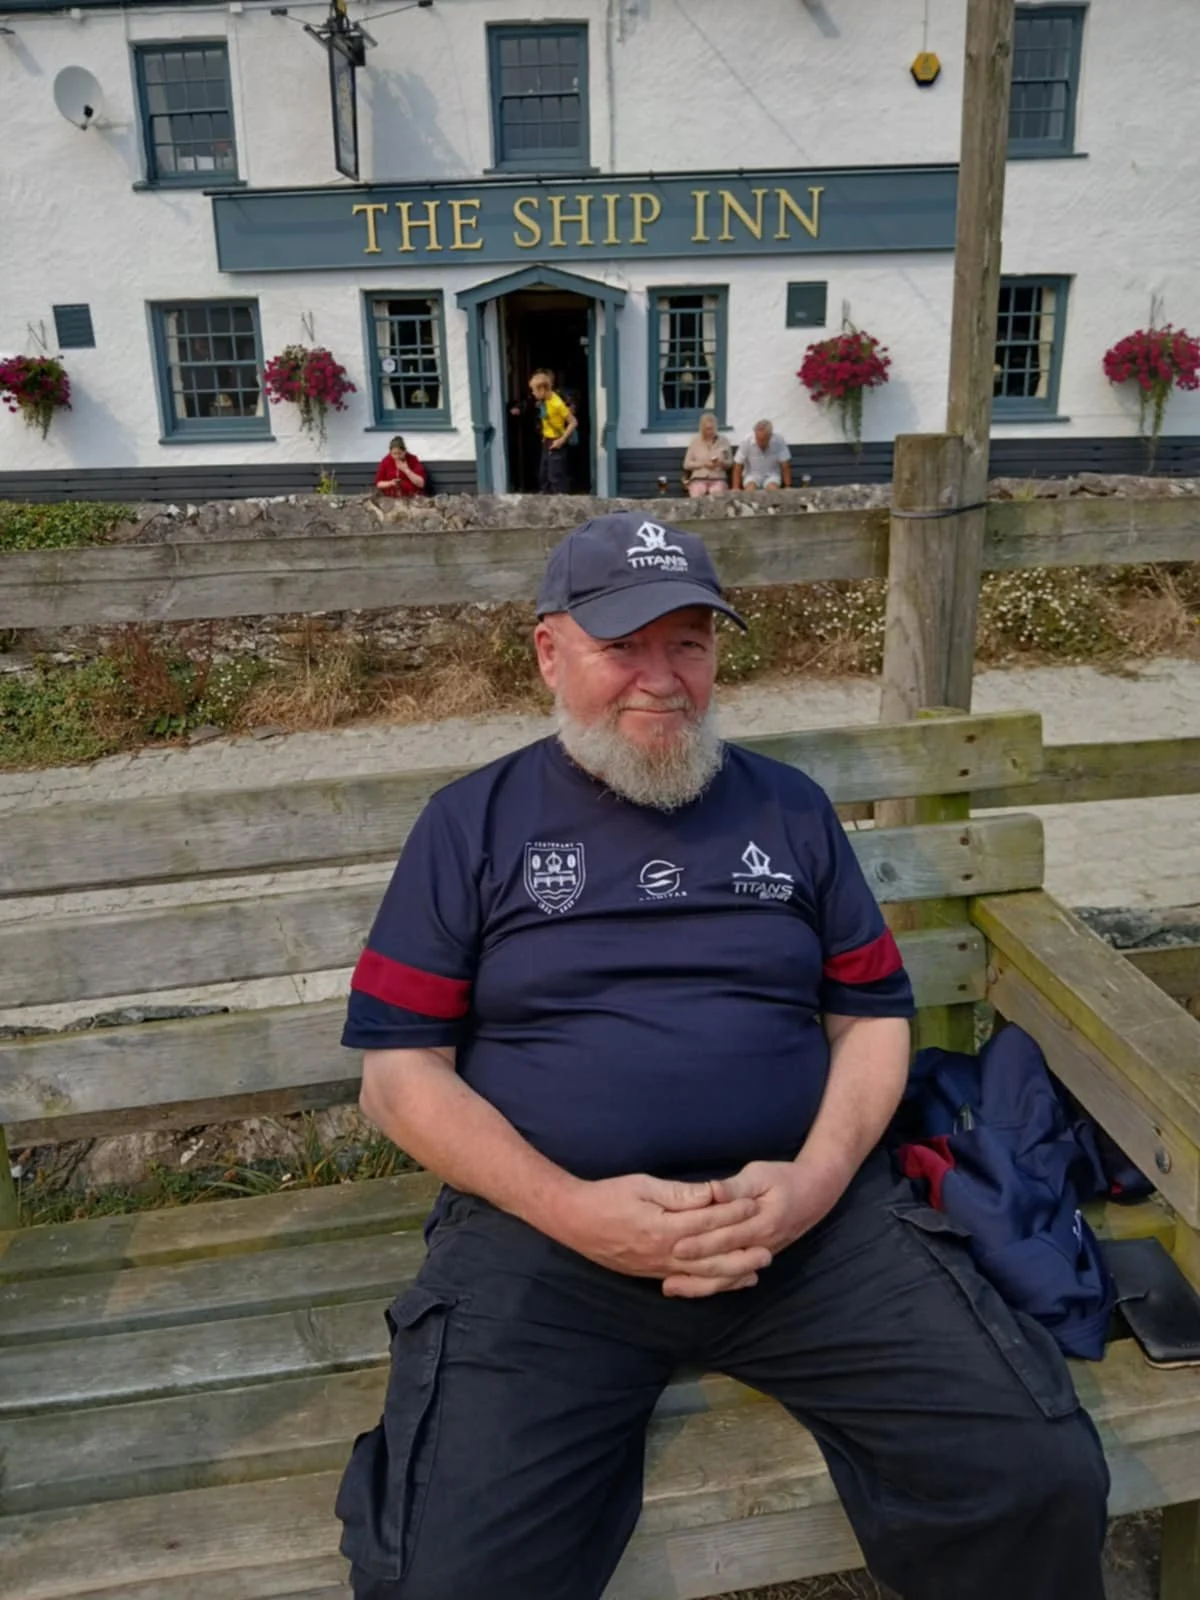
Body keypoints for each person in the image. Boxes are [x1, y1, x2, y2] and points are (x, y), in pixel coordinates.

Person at [335, 511, 1109, 1600]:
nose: (663, 679)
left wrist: (817, 1181)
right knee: (446, 1576)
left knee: (1034, 1475)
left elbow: (873, 1020)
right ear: (550, 653)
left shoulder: (788, 808)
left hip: (811, 1229)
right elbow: (398, 1077)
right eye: (624, 645)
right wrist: (573, 1211)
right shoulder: (473, 823)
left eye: (689, 644)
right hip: (546, 1243)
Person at [529, 367, 577, 494]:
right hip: (547, 441)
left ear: (542, 389)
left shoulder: (557, 404)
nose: (532, 393)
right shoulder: (544, 401)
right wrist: (545, 434)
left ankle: (560, 499)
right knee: (543, 474)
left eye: (534, 390)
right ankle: (545, 498)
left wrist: (562, 440)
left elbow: (573, 422)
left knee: (555, 476)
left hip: (557, 442)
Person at [682, 410, 732, 496]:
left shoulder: (724, 441)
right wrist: (703, 464)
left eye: (712, 429)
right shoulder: (695, 441)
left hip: (718, 478)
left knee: (717, 493)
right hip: (699, 478)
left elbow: (730, 463)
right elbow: (686, 464)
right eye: (707, 429)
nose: (710, 432)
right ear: (702, 429)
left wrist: (721, 463)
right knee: (697, 492)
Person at [733, 418, 792, 490]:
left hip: (772, 476)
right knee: (750, 490)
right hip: (751, 476)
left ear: (770, 436)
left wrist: (788, 486)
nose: (760, 443)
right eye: (758, 439)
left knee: (773, 490)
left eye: (763, 440)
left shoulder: (779, 440)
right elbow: (738, 465)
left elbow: (785, 465)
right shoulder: (747, 441)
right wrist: (735, 487)